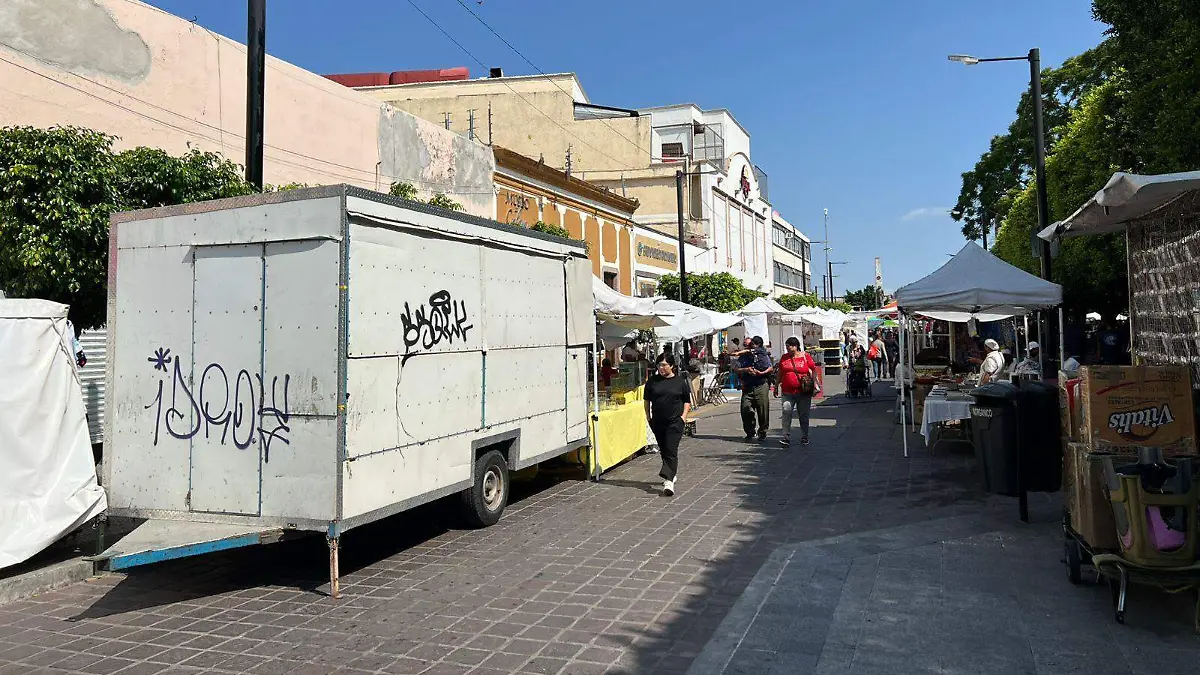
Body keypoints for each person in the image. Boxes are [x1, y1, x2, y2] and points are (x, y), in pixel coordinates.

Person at [644, 352, 690, 496]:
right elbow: (647, 401)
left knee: (671, 449)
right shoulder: (652, 381)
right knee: (664, 449)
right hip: (657, 421)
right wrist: (648, 417)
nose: (661, 368)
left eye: (664, 365)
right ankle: (671, 472)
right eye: (659, 365)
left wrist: (683, 417)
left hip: (675, 421)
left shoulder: (680, 382)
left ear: (672, 366)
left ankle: (668, 481)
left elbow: (687, 401)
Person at [774, 337, 817, 447]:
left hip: (803, 392)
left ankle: (804, 437)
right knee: (786, 411)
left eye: (790, 346)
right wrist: (776, 386)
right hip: (787, 392)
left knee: (803, 415)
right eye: (787, 346)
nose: (788, 348)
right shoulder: (784, 358)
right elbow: (780, 373)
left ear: (796, 346)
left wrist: (814, 385)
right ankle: (786, 437)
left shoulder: (805, 356)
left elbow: (813, 370)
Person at [735, 336, 773, 441]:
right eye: (745, 345)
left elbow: (770, 367)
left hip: (761, 385)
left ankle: (762, 432)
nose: (747, 347)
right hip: (747, 386)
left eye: (749, 345)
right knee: (745, 408)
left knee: (763, 410)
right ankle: (750, 431)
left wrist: (762, 373)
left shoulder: (761, 354)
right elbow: (736, 369)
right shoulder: (743, 357)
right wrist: (745, 370)